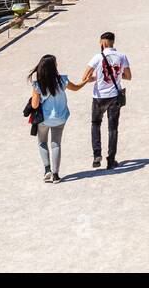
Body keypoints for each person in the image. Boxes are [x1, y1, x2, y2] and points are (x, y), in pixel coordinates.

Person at [28, 54, 85, 183]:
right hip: (60, 118)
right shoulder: (62, 80)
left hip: (44, 120)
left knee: (42, 142)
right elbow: (75, 88)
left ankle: (47, 170)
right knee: (56, 144)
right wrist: (85, 81)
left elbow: (35, 105)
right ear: (54, 67)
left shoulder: (37, 85)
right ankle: (56, 175)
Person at [79, 31, 131, 170]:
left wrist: (97, 78)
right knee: (113, 128)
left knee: (95, 124)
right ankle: (111, 159)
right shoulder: (122, 56)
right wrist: (117, 76)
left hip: (99, 97)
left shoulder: (97, 57)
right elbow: (128, 76)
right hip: (114, 95)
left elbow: (85, 76)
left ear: (103, 42)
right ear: (113, 42)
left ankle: (97, 155)